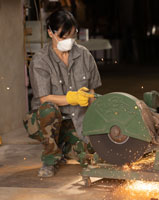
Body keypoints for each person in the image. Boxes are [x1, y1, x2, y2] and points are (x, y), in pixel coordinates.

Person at [23, 9, 102, 177]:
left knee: (91, 156)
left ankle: (65, 147)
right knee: (48, 108)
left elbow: (93, 93)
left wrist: (92, 103)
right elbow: (44, 98)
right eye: (63, 37)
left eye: (72, 36)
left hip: (76, 121)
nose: (68, 41)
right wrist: (73, 97)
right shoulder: (40, 60)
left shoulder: (84, 55)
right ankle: (50, 158)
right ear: (50, 32)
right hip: (47, 119)